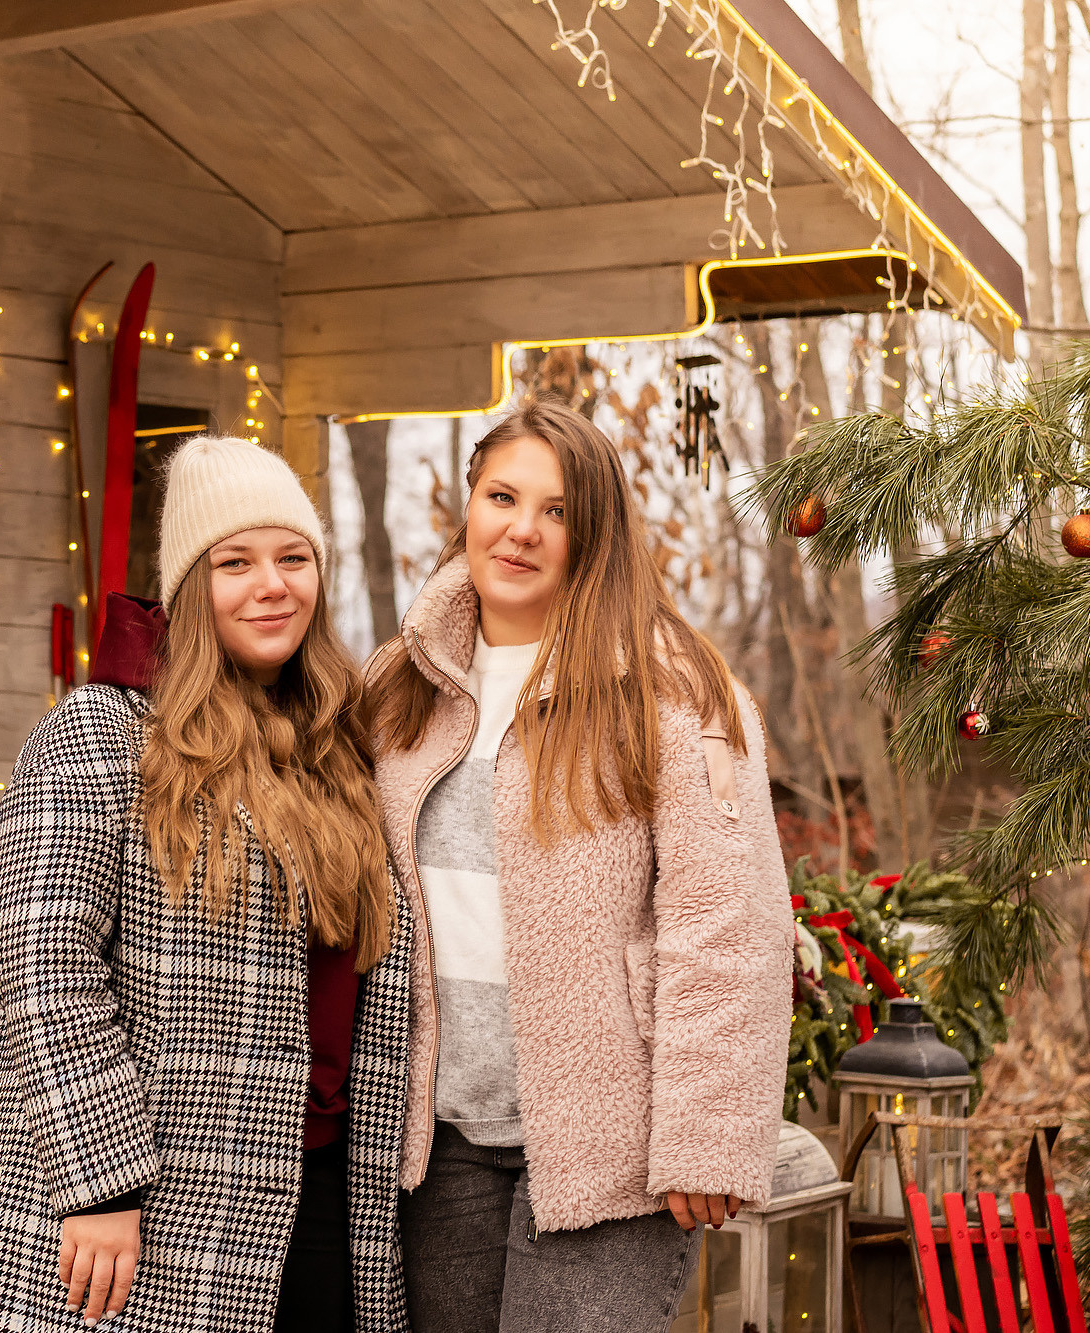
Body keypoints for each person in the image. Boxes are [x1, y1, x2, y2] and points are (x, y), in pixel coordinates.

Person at [0, 435, 413, 1332]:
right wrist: (101, 1181)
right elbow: (42, 962)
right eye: (235, 562)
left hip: (327, 1190)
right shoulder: (101, 734)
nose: (272, 584)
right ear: (187, 586)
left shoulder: (339, 743)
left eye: (293, 558)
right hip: (155, 1203)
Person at [367, 395, 791, 1331]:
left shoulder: (674, 688)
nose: (520, 530)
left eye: (555, 510)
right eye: (501, 497)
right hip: (446, 1139)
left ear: (593, 531)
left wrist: (708, 1134)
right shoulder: (398, 685)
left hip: (614, 1140)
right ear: (468, 507)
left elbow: (730, 914)